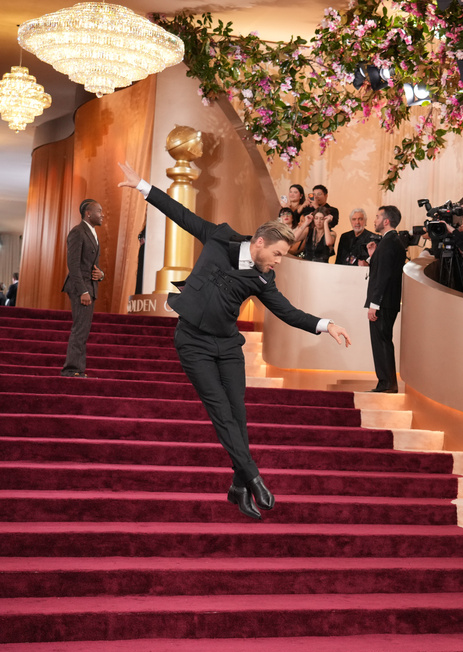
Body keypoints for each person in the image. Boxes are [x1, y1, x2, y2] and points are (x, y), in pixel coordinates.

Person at [118, 161, 351, 520]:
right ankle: (253, 478)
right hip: (192, 342)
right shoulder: (219, 237)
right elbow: (181, 214)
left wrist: (326, 323)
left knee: (238, 416)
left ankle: (237, 488)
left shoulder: (262, 280)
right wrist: (142, 186)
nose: (277, 263)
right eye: (276, 254)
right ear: (259, 243)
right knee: (221, 413)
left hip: (227, 346)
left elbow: (287, 312)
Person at [61, 199, 106, 378]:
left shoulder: (92, 233)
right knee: (80, 329)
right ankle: (71, 370)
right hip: (82, 288)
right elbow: (73, 265)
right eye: (99, 211)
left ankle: (77, 369)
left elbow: (90, 265)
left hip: (90, 286)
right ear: (88, 213)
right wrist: (83, 291)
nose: (102, 214)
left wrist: (100, 275)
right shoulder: (77, 232)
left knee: (83, 329)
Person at [365, 205, 406, 393]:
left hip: (384, 303)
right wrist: (373, 256)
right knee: (382, 341)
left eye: (377, 216)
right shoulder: (389, 242)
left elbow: (384, 276)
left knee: (381, 342)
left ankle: (386, 384)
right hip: (386, 302)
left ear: (386, 221)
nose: (374, 220)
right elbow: (382, 269)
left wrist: (375, 304)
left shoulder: (390, 242)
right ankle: (386, 383)